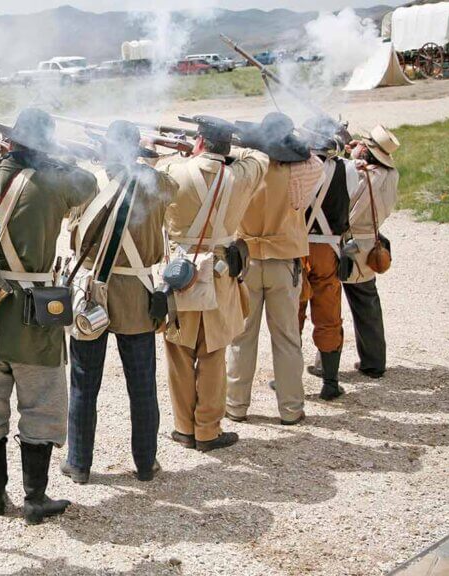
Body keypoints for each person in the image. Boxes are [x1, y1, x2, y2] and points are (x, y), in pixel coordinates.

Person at [0, 108, 97, 525]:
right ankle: (35, 499)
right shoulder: (56, 180)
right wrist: (56, 158)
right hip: (36, 315)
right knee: (40, 408)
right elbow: (90, 185)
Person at [60, 120, 178, 484]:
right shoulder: (154, 181)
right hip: (136, 294)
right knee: (142, 386)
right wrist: (145, 161)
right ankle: (145, 463)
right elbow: (172, 186)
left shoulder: (90, 183)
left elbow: (70, 222)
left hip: (91, 292)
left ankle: (79, 463)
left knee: (84, 383)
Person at [162, 116, 269, 452]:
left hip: (181, 272)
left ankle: (183, 427)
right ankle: (207, 431)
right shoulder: (241, 174)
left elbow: (150, 167)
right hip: (221, 273)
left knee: (179, 352)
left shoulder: (172, 170)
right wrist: (233, 150)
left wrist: (186, 155)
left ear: (198, 142)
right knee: (212, 353)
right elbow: (260, 157)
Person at [225, 113, 324, 426]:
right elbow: (313, 159)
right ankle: (291, 409)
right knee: (287, 340)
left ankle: (236, 405)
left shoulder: (244, 168)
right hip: (284, 261)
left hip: (246, 261)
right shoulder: (302, 170)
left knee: (241, 338)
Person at [340, 125, 401, 379]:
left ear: (369, 151)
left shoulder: (360, 175)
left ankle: (326, 364)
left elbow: (342, 187)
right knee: (368, 306)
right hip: (371, 244)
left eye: (363, 144)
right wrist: (358, 153)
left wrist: (349, 158)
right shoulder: (391, 174)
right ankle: (374, 362)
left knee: (328, 305)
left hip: (348, 245)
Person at [298, 118, 352, 400]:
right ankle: (330, 383)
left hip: (298, 247)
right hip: (328, 249)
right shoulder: (348, 170)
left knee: (293, 314)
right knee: (329, 315)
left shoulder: (297, 169)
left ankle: (289, 380)